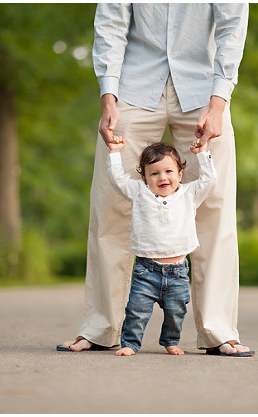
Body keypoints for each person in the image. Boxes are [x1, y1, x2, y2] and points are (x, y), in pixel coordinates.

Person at [58, 4, 254, 356]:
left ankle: (218, 329)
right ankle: (101, 326)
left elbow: (231, 28)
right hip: (132, 90)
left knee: (214, 205)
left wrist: (219, 102)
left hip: (203, 92)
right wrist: (108, 97)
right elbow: (111, 27)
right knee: (110, 203)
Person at [105, 138, 216, 356]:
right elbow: (117, 179)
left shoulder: (189, 194)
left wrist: (202, 153)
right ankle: (130, 344)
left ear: (180, 174)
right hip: (146, 270)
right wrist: (114, 152)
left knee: (177, 311)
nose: (162, 177)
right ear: (144, 177)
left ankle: (170, 341)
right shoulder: (139, 192)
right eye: (154, 173)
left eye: (168, 171)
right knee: (136, 311)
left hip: (178, 272)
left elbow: (210, 180)